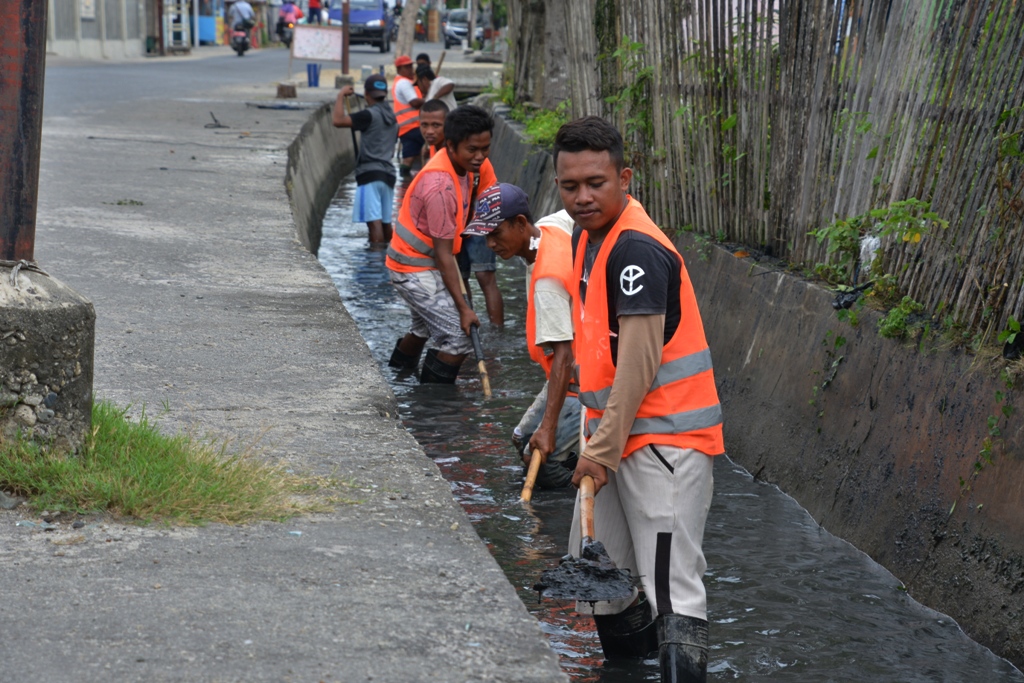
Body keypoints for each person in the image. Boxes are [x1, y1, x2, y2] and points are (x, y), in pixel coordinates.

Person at [554, 116, 724, 682]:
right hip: (613, 440)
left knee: (672, 589)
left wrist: (598, 450)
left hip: (663, 444)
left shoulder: (636, 251)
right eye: (570, 185)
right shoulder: (589, 238)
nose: (582, 196)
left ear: (624, 177)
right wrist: (597, 442)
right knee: (603, 584)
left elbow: (639, 363)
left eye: (595, 183)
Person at [464, 183, 579, 488]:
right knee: (521, 439)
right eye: (485, 236)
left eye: (496, 234)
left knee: (539, 461)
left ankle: (573, 489)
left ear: (520, 224)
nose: (490, 244)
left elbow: (563, 358)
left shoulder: (546, 285)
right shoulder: (551, 227)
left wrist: (550, 427)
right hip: (570, 372)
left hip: (582, 383)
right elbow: (572, 218)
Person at [385, 105, 498, 384]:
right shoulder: (440, 187)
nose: (480, 157)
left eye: (485, 149)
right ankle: (433, 404)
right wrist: (464, 309)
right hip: (412, 267)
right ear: (450, 145)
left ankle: (397, 374)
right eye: (472, 150)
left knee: (423, 327)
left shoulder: (465, 167)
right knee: (459, 338)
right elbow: (445, 254)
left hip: (421, 262)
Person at [332, 75, 399, 245]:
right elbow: (391, 151)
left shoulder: (368, 115)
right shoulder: (393, 118)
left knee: (373, 222)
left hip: (370, 174)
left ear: (367, 94)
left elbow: (338, 120)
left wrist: (340, 95)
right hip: (389, 175)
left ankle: (375, 263)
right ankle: (387, 259)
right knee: (385, 224)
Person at [392, 55, 425, 176]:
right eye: (407, 67)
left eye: (411, 66)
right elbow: (414, 102)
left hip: (405, 127)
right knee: (431, 149)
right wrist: (431, 100)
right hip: (413, 126)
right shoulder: (404, 83)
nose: (411, 70)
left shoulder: (399, 82)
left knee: (409, 157)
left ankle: (404, 182)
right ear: (399, 69)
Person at [418, 98, 449, 163]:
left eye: (436, 125)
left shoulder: (454, 154)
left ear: (448, 124)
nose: (429, 131)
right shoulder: (429, 148)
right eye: (424, 125)